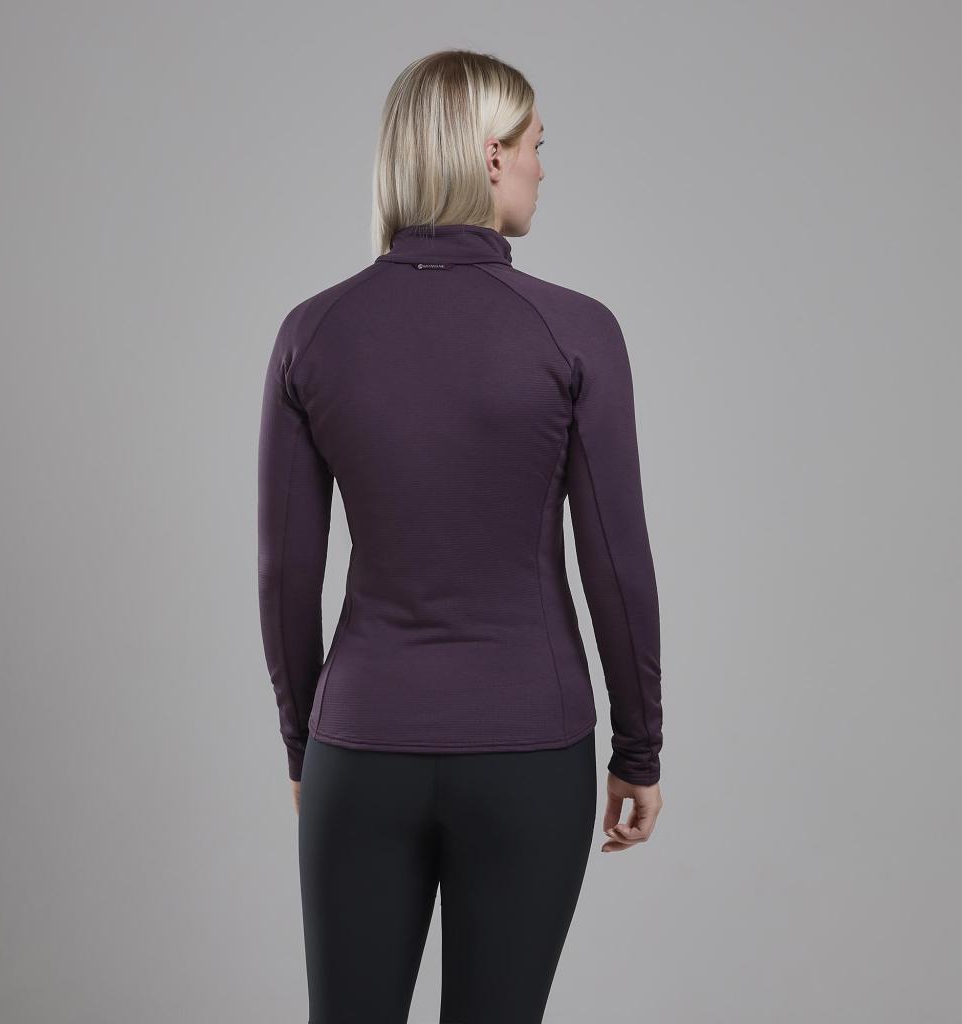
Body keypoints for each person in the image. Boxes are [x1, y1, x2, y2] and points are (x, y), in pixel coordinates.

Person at [257, 47, 664, 1024]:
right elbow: (617, 564)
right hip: (530, 751)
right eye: (535, 145)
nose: (541, 168)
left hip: (361, 748)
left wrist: (304, 746)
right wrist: (639, 750)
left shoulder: (313, 332)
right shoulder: (575, 331)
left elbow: (284, 573)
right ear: (490, 155)